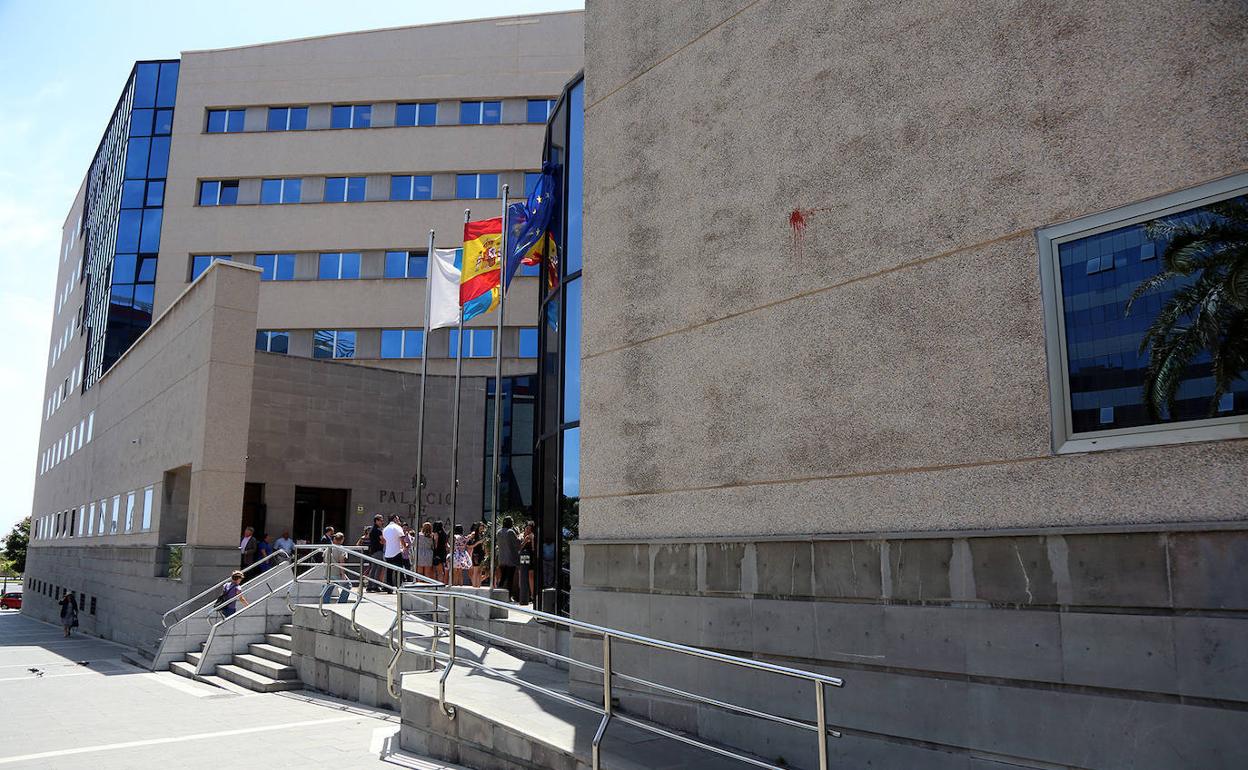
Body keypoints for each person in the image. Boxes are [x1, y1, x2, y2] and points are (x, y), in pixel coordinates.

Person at [320, 533, 353, 604]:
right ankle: (341, 602)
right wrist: (343, 574)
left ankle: (325, 603)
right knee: (348, 586)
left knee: (329, 587)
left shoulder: (327, 548)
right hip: (336, 572)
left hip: (327, 572)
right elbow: (341, 561)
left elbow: (323, 560)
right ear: (342, 540)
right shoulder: (341, 549)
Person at [496, 517, 520, 601]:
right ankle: (508, 596)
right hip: (510, 559)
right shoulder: (510, 532)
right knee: (510, 578)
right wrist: (518, 534)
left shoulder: (498, 532)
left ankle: (498, 595)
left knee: (502, 578)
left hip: (502, 559)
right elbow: (518, 543)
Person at [381, 514, 406, 592]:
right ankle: (400, 587)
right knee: (400, 570)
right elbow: (402, 539)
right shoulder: (398, 527)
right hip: (397, 551)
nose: (399, 520)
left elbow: (383, 541)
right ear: (395, 519)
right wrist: (405, 547)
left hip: (388, 553)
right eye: (398, 519)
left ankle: (389, 588)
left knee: (389, 571)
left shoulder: (385, 529)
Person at [366, 515, 386, 592]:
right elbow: (383, 541)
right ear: (376, 521)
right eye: (381, 520)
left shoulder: (372, 529)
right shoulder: (377, 530)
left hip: (373, 551)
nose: (382, 522)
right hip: (378, 551)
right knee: (377, 568)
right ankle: (374, 586)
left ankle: (370, 585)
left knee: (374, 568)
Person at [519, 522, 536, 605]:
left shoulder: (533, 536)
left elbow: (533, 549)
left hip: (531, 556)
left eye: (530, 529)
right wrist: (525, 540)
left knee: (531, 575)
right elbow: (519, 547)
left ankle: (532, 595)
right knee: (523, 575)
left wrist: (532, 540)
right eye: (527, 528)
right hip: (523, 557)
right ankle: (523, 595)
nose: (528, 530)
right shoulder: (522, 536)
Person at [466, 522, 485, 588]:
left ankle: (478, 586)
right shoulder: (474, 534)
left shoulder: (483, 534)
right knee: (475, 570)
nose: (482, 528)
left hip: (482, 553)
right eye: (480, 526)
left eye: (482, 526)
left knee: (480, 571)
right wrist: (478, 543)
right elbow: (469, 545)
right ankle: (474, 586)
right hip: (476, 553)